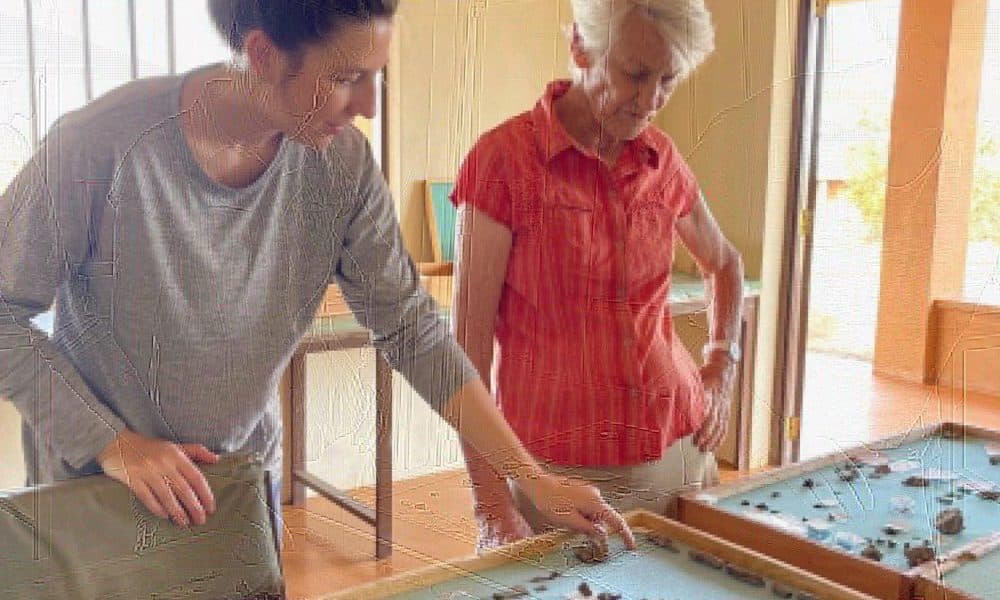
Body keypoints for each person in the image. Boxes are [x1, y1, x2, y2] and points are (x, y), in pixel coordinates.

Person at [0, 0, 633, 549]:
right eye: (348, 78)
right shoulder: (97, 145)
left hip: (235, 486)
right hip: (96, 490)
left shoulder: (341, 166)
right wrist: (114, 444)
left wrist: (530, 475)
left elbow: (412, 329)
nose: (368, 106)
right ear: (264, 54)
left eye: (375, 76)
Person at [451, 0, 745, 549]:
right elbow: (463, 351)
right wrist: (492, 506)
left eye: (668, 79)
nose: (651, 100)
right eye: (635, 74)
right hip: (558, 479)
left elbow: (726, 263)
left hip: (683, 455)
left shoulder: (662, 158)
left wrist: (722, 366)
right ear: (581, 49)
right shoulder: (503, 163)